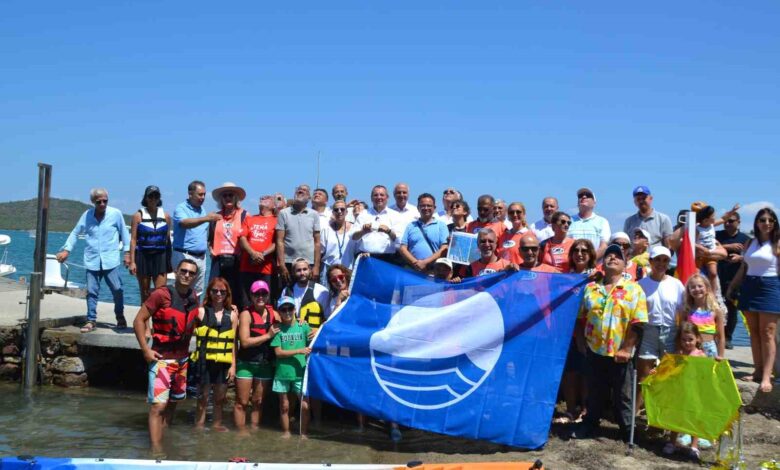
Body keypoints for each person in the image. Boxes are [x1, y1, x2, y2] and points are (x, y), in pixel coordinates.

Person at [570, 244, 647, 441]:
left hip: (620, 353)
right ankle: (590, 424)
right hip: (594, 350)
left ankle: (627, 430)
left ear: (624, 264)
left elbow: (638, 322)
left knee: (623, 395)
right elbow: (579, 317)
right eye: (608, 255)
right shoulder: (590, 288)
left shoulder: (634, 289)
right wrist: (581, 341)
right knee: (594, 391)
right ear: (602, 263)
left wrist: (627, 348)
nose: (612, 258)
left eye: (617, 256)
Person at [133, 258, 201, 455]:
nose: (187, 275)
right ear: (176, 272)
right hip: (162, 359)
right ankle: (156, 451)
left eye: (191, 273)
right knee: (158, 406)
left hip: (182, 360)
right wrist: (145, 350)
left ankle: (165, 443)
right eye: (184, 271)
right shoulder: (161, 295)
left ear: (195, 277)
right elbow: (139, 320)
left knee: (173, 404)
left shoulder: (193, 297)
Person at [57, 188, 131, 332]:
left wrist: (127, 254)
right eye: (99, 202)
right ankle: (91, 320)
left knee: (117, 289)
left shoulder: (115, 214)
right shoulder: (86, 215)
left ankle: (120, 316)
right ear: (92, 202)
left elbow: (124, 233)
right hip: (92, 260)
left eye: (105, 201)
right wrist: (66, 250)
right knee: (91, 291)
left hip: (110, 260)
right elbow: (75, 232)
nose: (102, 204)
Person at [728, 208, 780, 393]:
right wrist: (732, 286)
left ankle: (767, 375)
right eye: (763, 220)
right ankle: (757, 370)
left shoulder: (777, 243)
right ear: (757, 223)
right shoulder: (750, 242)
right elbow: (744, 267)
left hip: (770, 287)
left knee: (768, 333)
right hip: (750, 286)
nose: (767, 223)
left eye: (770, 220)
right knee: (754, 332)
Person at [636, 246, 684, 404]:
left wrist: (682, 335)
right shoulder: (640, 284)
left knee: (669, 375)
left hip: (670, 331)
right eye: (657, 259)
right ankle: (637, 411)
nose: (661, 264)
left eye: (665, 260)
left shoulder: (676, 284)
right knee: (644, 376)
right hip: (648, 331)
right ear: (650, 261)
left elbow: (683, 311)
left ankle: (665, 411)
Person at [191, 277, 238, 431]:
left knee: (220, 398)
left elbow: (233, 343)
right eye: (215, 291)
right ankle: (199, 426)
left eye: (222, 291)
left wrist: (233, 365)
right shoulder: (200, 312)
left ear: (227, 293)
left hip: (223, 362)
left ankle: (217, 425)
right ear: (209, 292)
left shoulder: (232, 315)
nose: (218, 294)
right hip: (204, 361)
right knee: (202, 398)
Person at [234, 280, 280, 432]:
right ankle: (240, 432)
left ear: (268, 295)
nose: (260, 297)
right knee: (242, 401)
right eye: (256, 294)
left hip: (264, 365)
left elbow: (289, 323)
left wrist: (299, 321)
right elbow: (245, 342)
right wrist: (268, 336)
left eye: (263, 293)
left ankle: (254, 430)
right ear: (251, 296)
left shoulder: (275, 314)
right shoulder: (245, 315)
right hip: (246, 363)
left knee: (258, 401)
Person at [661, 321, 707, 461]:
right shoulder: (678, 354)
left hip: (694, 392)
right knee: (677, 417)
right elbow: (670, 372)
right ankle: (672, 442)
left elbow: (705, 375)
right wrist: (658, 370)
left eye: (690, 339)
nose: (687, 343)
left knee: (694, 418)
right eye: (684, 340)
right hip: (679, 392)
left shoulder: (701, 355)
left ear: (697, 338)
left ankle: (694, 446)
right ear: (679, 340)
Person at [271, 296, 312, 439]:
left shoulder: (303, 326)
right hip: (282, 373)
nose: (287, 312)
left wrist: (317, 329)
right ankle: (286, 432)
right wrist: (299, 350)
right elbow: (278, 353)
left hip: (300, 372)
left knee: (305, 405)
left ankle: (304, 433)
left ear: (295, 310)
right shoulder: (277, 329)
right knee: (284, 405)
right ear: (279, 312)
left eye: (290, 308)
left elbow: (315, 337)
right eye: (284, 309)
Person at [172, 181, 221, 296]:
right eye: (200, 194)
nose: (203, 197)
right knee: (180, 289)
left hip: (201, 258)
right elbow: (184, 223)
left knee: (197, 292)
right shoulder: (181, 208)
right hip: (184, 255)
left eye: (204, 194)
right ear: (190, 194)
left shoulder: (202, 210)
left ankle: (194, 308)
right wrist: (206, 218)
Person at [129, 185, 172, 304]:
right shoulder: (138, 216)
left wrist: (169, 262)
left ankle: (158, 317)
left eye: (156, 196)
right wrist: (132, 262)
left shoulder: (166, 216)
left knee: (161, 293)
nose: (153, 199)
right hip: (143, 257)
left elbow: (167, 240)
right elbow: (133, 240)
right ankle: (144, 316)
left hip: (160, 257)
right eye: (150, 196)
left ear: (159, 198)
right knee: (145, 294)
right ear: (146, 198)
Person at [209, 182, 248, 304]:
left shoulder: (244, 215)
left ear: (236, 197)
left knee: (236, 295)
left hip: (237, 261)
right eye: (225, 195)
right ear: (221, 199)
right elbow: (210, 238)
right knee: (214, 292)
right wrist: (210, 249)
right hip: (218, 261)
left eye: (230, 195)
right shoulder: (215, 216)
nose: (228, 198)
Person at [716, 211, 750, 349]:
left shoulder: (745, 239)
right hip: (718, 276)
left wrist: (740, 258)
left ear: (738, 222)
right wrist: (727, 247)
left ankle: (728, 338)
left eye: (731, 221)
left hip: (735, 279)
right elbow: (708, 246)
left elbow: (752, 258)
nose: (727, 224)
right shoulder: (718, 235)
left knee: (732, 309)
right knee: (716, 307)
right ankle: (716, 337)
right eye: (726, 221)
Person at [276, 184, 322, 286]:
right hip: (288, 262)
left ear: (309, 197)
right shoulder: (283, 213)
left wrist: (316, 266)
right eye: (299, 189)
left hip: (309, 262)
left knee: (308, 293)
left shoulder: (314, 214)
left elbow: (317, 242)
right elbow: (279, 240)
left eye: (305, 190)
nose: (301, 191)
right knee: (288, 291)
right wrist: (282, 265)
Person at [238, 195, 277, 309]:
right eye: (262, 198)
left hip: (266, 269)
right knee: (246, 303)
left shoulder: (277, 220)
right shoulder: (249, 218)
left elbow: (277, 242)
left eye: (268, 198)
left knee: (265, 303)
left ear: (274, 206)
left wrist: (262, 254)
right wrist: (253, 253)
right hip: (247, 267)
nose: (264, 197)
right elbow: (242, 238)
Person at [398, 193, 449, 273]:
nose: (426, 208)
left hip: (434, 271)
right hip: (413, 270)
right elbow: (402, 248)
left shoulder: (441, 226)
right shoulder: (411, 226)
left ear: (434, 208)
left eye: (429, 206)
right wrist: (416, 263)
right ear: (418, 208)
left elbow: (444, 248)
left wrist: (425, 262)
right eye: (423, 205)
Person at [678, 274, 725, 359]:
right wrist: (680, 349)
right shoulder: (686, 310)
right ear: (689, 291)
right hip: (691, 348)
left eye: (700, 286)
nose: (697, 289)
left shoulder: (715, 310)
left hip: (710, 348)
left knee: (708, 368)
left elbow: (721, 336)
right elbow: (680, 333)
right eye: (693, 287)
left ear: (707, 288)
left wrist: (721, 355)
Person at [353, 185, 402, 264]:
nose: (379, 197)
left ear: (387, 197)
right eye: (376, 195)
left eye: (382, 195)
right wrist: (363, 231)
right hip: (366, 258)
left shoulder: (395, 215)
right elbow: (353, 237)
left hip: (388, 259)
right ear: (371, 198)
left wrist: (389, 231)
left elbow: (398, 240)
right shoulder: (363, 214)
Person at [281, 258, 330, 332]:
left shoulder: (322, 291)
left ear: (310, 270)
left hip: (314, 334)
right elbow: (282, 316)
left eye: (305, 269)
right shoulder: (286, 291)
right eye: (298, 270)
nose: (302, 273)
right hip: (293, 333)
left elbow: (328, 317)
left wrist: (318, 331)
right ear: (293, 272)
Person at [568, 188, 610, 259]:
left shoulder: (602, 222)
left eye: (588, 195)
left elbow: (604, 246)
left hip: (595, 264)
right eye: (580, 196)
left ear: (594, 202)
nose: (583, 197)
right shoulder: (568, 221)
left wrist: (590, 262)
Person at [320, 200, 356, 282]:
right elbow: (320, 252)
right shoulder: (326, 229)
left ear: (346, 212)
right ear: (333, 212)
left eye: (342, 209)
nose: (339, 212)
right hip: (328, 269)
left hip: (348, 268)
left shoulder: (354, 228)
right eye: (336, 210)